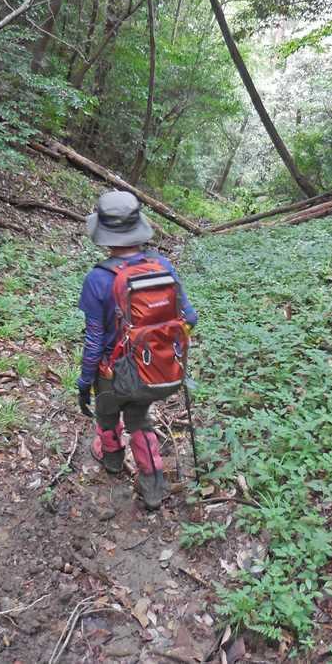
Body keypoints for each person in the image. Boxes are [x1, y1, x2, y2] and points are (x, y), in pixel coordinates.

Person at [77, 191, 198, 510]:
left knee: (106, 415)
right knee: (140, 419)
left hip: (110, 372)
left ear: (104, 234)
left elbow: (94, 341)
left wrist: (84, 382)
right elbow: (190, 318)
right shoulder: (163, 266)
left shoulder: (97, 279)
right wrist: (161, 347)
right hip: (148, 370)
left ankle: (112, 459)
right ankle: (154, 485)